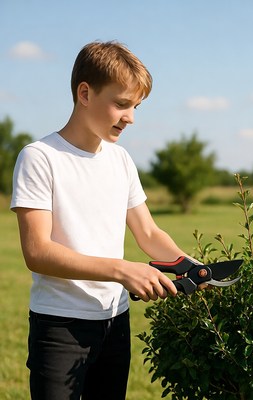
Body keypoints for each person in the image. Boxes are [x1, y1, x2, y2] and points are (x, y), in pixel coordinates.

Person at [11, 41, 197, 400]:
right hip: (60, 326)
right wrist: (121, 270)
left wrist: (190, 266)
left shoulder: (121, 160)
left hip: (115, 324)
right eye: (122, 103)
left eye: (136, 106)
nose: (131, 117)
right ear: (85, 92)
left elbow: (148, 232)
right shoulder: (40, 158)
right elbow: (37, 251)